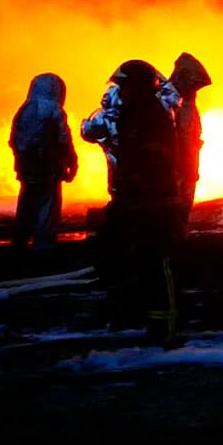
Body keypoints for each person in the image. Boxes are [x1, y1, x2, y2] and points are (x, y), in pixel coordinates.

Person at [82, 60, 182, 346]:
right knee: (128, 259)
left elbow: (154, 160)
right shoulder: (131, 114)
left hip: (154, 204)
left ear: (138, 87)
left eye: (124, 87)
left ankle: (164, 326)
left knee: (157, 263)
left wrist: (139, 184)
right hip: (133, 201)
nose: (120, 92)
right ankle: (134, 314)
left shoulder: (152, 116)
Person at [9, 73, 78, 249]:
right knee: (48, 206)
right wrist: (72, 161)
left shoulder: (23, 110)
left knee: (26, 203)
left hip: (26, 167)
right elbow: (63, 139)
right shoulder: (54, 110)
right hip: (49, 167)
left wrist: (21, 160)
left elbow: (13, 139)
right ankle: (43, 246)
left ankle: (19, 242)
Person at [165, 52, 212, 239]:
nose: (195, 90)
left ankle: (177, 234)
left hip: (188, 163)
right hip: (175, 165)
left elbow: (192, 134)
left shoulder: (188, 103)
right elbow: (178, 136)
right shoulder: (170, 102)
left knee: (183, 204)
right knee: (174, 206)